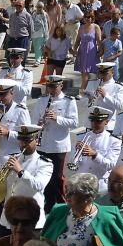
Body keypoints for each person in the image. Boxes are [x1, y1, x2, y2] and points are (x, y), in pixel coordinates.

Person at [0, 125, 54, 233]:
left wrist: (20, 172)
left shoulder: (44, 163)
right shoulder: (12, 158)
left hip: (30, 220)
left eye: (27, 141)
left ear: (36, 141)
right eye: (21, 140)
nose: (23, 144)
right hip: (8, 218)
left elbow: (38, 186)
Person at [33, 76, 77, 211]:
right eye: (49, 86)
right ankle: (48, 202)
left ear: (61, 86)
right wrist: (39, 122)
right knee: (43, 175)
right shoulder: (42, 100)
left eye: (53, 87)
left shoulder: (68, 101)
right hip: (43, 143)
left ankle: (61, 204)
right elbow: (34, 120)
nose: (50, 90)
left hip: (59, 145)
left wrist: (57, 118)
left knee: (57, 178)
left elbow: (74, 122)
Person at [73, 107, 122, 194]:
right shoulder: (81, 136)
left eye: (98, 121)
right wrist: (76, 151)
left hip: (99, 184)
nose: (94, 124)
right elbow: (73, 162)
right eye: (92, 120)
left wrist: (95, 155)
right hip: (81, 182)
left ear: (106, 122)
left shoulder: (114, 141)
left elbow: (111, 165)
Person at [0, 80, 32, 170]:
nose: (0, 98)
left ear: (12, 92)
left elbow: (27, 137)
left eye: (3, 95)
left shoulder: (21, 110)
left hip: (10, 160)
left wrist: (7, 133)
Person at [71, 11, 101, 93]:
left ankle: (82, 92)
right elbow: (77, 40)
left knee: (91, 73)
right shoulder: (81, 27)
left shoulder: (96, 27)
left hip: (92, 51)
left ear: (92, 18)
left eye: (89, 17)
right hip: (82, 51)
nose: (88, 19)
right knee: (84, 73)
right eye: (86, 17)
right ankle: (85, 91)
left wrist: (100, 52)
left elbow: (99, 41)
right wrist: (74, 50)